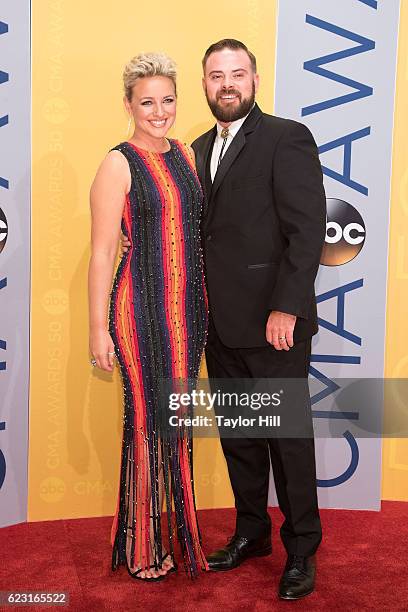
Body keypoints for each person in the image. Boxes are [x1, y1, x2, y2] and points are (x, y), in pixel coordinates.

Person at [121, 39, 326, 599]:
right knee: (240, 437)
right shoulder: (196, 148)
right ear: (205, 86)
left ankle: (302, 549)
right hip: (217, 323)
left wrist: (287, 306)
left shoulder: (286, 138)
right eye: (216, 75)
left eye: (237, 73)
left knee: (286, 439)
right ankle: (252, 533)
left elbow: (307, 232)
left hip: (273, 325)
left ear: (255, 80)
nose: (227, 83)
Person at [88, 52, 208, 582]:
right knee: (145, 424)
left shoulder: (185, 154)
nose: (158, 112)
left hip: (189, 312)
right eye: (147, 102)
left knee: (176, 424)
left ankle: (176, 534)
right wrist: (97, 327)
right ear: (128, 105)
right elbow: (101, 251)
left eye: (167, 100)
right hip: (139, 309)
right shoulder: (118, 162)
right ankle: (142, 545)